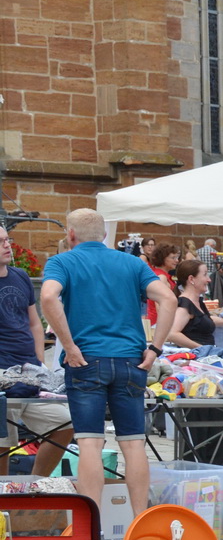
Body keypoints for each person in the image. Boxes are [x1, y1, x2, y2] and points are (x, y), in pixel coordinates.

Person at [38, 208, 177, 517]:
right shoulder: (131, 263)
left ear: (71, 235)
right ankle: (139, 519)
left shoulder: (63, 261)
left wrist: (70, 346)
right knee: (133, 443)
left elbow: (48, 297)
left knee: (89, 443)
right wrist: (155, 348)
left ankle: (92, 524)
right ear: (103, 235)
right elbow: (169, 299)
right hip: (130, 361)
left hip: (85, 360)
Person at [0, 224, 74, 476]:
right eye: (1, 241)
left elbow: (34, 322)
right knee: (2, 442)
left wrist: (39, 362)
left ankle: (35, 484)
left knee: (66, 423)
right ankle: (3, 503)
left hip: (30, 373)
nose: (7, 245)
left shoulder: (20, 276)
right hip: (2, 378)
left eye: (7, 239)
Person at [166, 258, 223, 351]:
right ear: (191, 279)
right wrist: (201, 348)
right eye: (205, 275)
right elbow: (172, 334)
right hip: (195, 359)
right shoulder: (185, 305)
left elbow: (205, 320)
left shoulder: (197, 302)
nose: (209, 279)